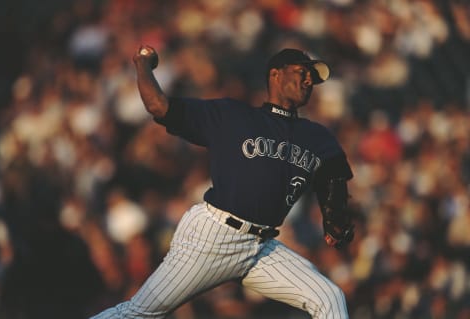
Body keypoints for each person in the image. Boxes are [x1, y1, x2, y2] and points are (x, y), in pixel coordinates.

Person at [90, 46, 355, 319]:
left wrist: (334, 213)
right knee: (140, 312)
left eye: (313, 77)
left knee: (328, 297)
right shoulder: (233, 116)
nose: (309, 81)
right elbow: (158, 105)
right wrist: (142, 64)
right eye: (303, 72)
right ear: (275, 75)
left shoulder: (317, 137)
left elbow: (334, 175)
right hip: (215, 236)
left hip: (261, 246)